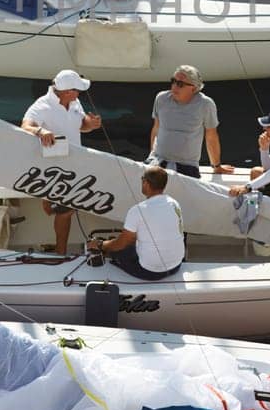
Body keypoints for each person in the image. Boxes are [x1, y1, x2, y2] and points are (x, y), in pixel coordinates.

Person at [21, 69, 102, 255]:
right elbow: (25, 125)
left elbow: (82, 126)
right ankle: (60, 252)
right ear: (67, 92)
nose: (79, 93)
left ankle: (48, 201)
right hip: (53, 167)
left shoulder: (75, 102)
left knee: (64, 209)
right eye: (77, 90)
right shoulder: (42, 105)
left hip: (74, 163)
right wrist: (41, 132)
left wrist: (92, 124)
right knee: (65, 211)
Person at [97, 166, 186, 279]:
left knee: (116, 249)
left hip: (150, 272)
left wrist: (101, 245)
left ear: (146, 183)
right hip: (176, 265)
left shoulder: (137, 210)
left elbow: (122, 243)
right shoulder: (174, 204)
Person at [148, 65, 231, 179]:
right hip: (158, 161)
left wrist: (216, 166)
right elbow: (156, 128)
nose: (174, 86)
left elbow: (211, 136)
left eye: (180, 84)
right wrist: (152, 155)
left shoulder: (206, 104)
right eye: (173, 81)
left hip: (186, 166)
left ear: (194, 88)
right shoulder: (161, 98)